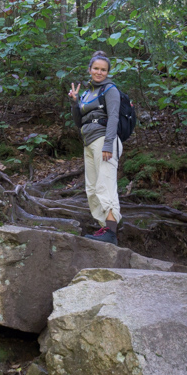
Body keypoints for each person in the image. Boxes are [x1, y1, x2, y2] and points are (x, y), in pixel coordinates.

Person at [69, 51, 121, 246]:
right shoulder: (87, 92)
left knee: (105, 184)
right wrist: (75, 102)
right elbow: (78, 121)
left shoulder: (110, 89)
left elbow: (114, 117)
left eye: (104, 70)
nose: (99, 72)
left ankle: (111, 230)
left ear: (108, 72)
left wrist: (108, 144)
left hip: (104, 141)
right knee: (91, 188)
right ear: (89, 69)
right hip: (88, 142)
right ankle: (104, 227)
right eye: (96, 69)